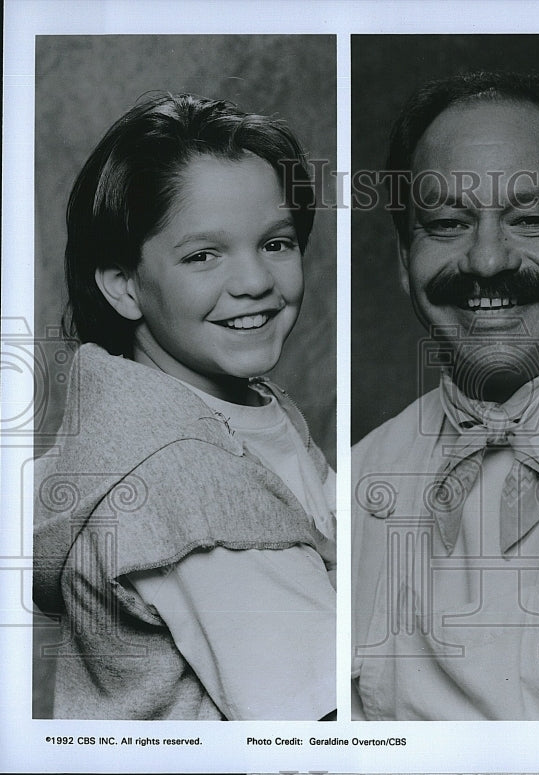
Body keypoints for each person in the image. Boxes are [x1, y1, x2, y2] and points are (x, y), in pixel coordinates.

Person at [352, 71, 539, 720]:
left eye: (534, 219)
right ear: (405, 262)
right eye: (447, 222)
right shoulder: (358, 480)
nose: (487, 260)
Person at [33, 93, 337, 720]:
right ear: (124, 285)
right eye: (203, 255)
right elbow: (322, 727)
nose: (254, 281)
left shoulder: (224, 406)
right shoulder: (190, 482)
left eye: (276, 243)